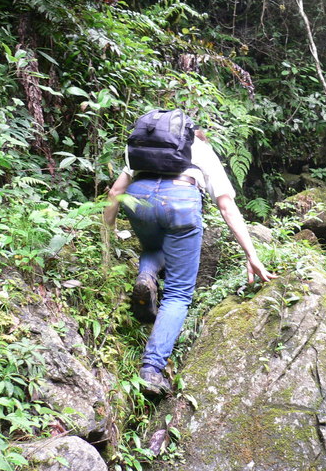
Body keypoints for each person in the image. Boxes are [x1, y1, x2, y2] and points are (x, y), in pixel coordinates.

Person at [104, 126, 277, 395]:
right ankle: (151, 369)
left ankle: (146, 277)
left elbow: (115, 193)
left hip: (138, 197)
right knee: (178, 293)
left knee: (153, 245)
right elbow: (225, 205)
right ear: (196, 136)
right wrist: (251, 255)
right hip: (181, 200)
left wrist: (108, 235)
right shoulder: (203, 150)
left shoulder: (144, 147)